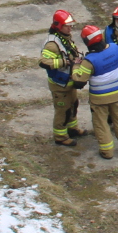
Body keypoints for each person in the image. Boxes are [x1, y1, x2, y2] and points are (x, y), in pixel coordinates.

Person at [71, 24, 118, 159]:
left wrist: (76, 66)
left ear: (87, 42)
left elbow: (79, 82)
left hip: (99, 100)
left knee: (101, 124)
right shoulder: (115, 48)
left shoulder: (89, 61)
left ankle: (107, 152)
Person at [39, 9, 83, 146]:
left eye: (71, 25)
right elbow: (43, 62)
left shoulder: (65, 38)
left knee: (73, 105)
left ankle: (72, 129)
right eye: (67, 26)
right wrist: (65, 62)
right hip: (59, 85)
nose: (70, 28)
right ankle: (61, 137)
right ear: (58, 26)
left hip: (69, 82)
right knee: (62, 111)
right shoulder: (52, 44)